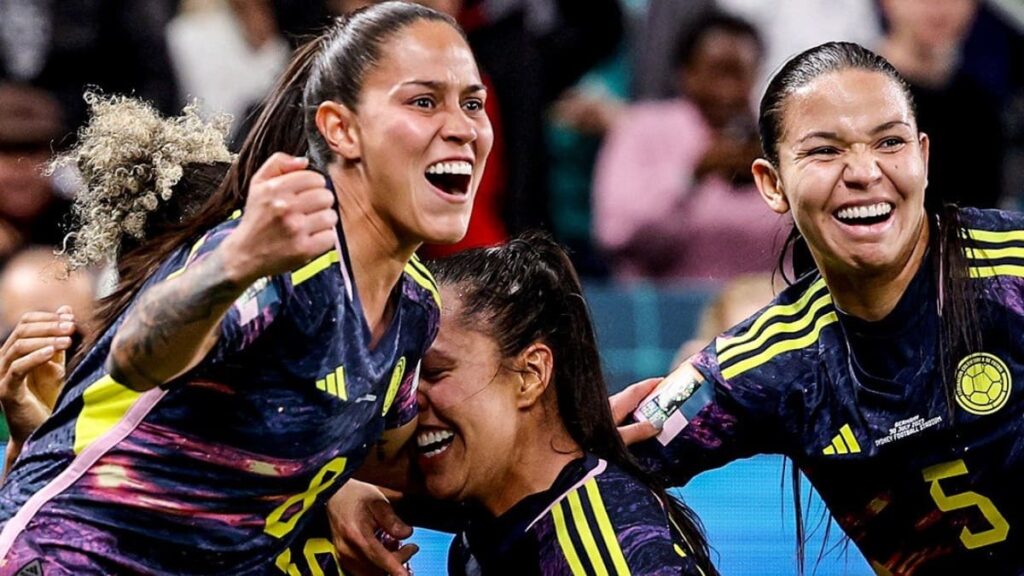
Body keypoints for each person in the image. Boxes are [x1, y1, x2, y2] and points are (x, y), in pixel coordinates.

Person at [0, 3, 493, 574]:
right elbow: (137, 357)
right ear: (341, 128)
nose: (462, 127)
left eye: (473, 103)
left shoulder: (415, 304)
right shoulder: (275, 258)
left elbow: (398, 460)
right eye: (424, 101)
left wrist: (549, 446)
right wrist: (234, 263)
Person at [612, 41, 1024, 575]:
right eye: (825, 151)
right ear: (772, 184)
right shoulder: (767, 363)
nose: (864, 172)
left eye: (890, 142)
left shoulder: (1012, 270)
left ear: (923, 156)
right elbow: (586, 469)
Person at [333, 233, 717, 575]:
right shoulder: (489, 517)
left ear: (530, 375)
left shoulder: (607, 549)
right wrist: (334, 495)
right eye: (404, 379)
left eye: (434, 372)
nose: (408, 403)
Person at [593, 13, 786, 282]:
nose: (728, 90)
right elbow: (616, 233)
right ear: (686, 73)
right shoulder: (641, 129)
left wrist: (783, 178)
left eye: (740, 73)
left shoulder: (779, 134)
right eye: (718, 72)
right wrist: (690, 177)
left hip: (771, 308)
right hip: (667, 311)